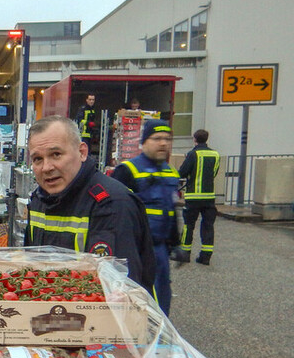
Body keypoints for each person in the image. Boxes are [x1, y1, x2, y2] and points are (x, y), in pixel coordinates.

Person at [25, 115, 156, 292]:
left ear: (82, 152)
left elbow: (120, 289)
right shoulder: (39, 199)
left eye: (56, 154)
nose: (46, 167)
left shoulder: (112, 204)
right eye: (37, 159)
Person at [111, 119, 185, 315]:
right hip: (135, 250)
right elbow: (112, 214)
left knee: (161, 298)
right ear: (143, 142)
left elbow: (170, 211)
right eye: (157, 138)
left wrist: (177, 243)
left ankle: (160, 339)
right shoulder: (128, 171)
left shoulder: (170, 173)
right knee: (135, 298)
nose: (163, 143)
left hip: (160, 249)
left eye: (167, 139)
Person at [177, 129, 220, 265]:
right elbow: (214, 173)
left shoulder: (192, 154)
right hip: (209, 197)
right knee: (208, 226)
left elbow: (182, 172)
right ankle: (205, 256)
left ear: (194, 139)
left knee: (189, 225)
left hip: (193, 196)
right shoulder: (215, 155)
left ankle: (185, 254)